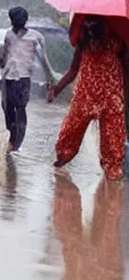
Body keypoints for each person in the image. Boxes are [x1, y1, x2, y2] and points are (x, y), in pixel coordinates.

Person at [48, 16, 126, 181]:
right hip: (85, 96)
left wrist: (125, 98)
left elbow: (126, 70)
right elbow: (72, 71)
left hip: (111, 98)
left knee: (113, 148)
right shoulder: (83, 44)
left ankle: (111, 192)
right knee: (67, 137)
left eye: (95, 27)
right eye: (88, 27)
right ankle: (60, 180)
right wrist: (56, 90)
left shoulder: (118, 42)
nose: (91, 31)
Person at [2, 6, 55, 152]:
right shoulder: (8, 34)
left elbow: (43, 59)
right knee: (7, 108)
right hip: (8, 77)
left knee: (20, 109)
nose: (16, 24)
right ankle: (12, 137)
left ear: (25, 21)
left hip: (23, 78)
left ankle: (16, 144)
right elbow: (5, 52)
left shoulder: (35, 37)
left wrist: (51, 79)